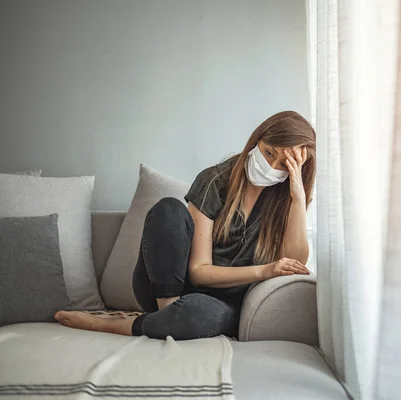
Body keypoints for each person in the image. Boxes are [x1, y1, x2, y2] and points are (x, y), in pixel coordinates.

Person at [54, 111, 315, 340]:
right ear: (257, 140)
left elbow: (294, 262)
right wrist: (263, 271)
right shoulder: (215, 180)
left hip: (219, 305)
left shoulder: (286, 200)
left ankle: (143, 324)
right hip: (169, 288)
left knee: (198, 314)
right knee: (168, 208)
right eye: (269, 152)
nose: (270, 166)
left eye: (283, 164)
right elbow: (199, 271)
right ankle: (167, 316)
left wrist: (297, 196)